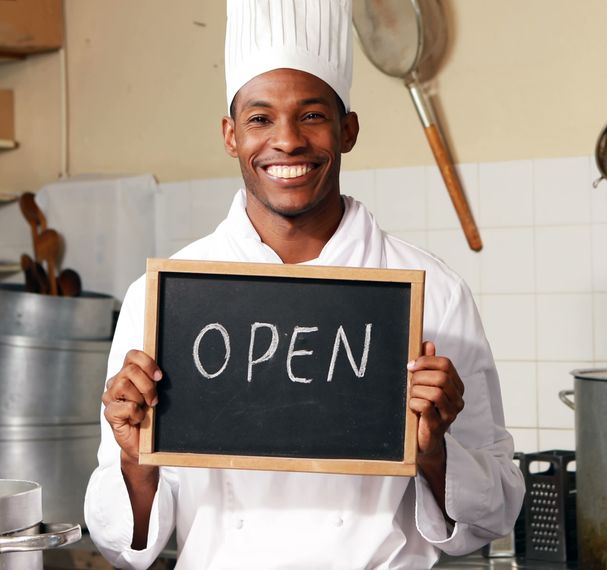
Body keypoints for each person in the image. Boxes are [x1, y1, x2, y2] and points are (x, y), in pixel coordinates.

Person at [83, 1, 524, 568]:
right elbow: (122, 549)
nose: (286, 141)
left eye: (312, 116)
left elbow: (491, 518)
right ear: (230, 135)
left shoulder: (432, 294)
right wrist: (132, 461)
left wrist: (435, 450)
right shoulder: (165, 299)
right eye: (259, 118)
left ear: (349, 129)